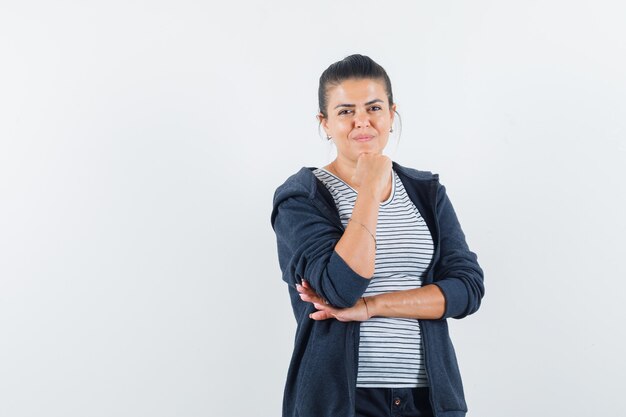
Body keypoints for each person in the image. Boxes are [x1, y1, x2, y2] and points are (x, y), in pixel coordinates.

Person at [270, 54, 484, 417]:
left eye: (373, 107)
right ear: (324, 123)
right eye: (345, 111)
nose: (361, 121)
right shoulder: (301, 197)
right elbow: (342, 287)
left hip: (428, 397)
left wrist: (371, 307)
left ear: (391, 113)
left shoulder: (426, 192)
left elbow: (467, 289)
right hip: (341, 400)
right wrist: (369, 189)